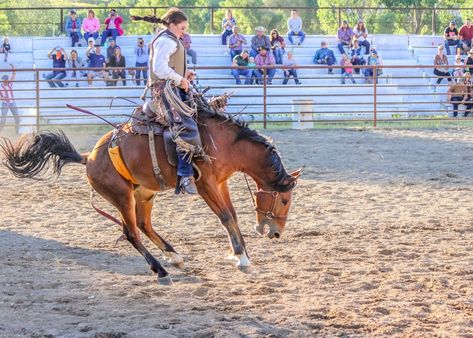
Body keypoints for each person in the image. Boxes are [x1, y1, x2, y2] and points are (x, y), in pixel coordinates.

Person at [132, 8, 204, 194]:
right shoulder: (165, 41)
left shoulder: (169, 39)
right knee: (185, 127)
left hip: (171, 89)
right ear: (172, 25)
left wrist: (184, 74)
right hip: (165, 91)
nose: (184, 31)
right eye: (182, 27)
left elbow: (167, 66)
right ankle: (185, 174)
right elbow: (159, 68)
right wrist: (180, 79)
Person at [0, 64, 19, 134]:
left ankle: (16, 131)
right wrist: (2, 98)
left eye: (6, 80)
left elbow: (13, 75)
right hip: (5, 103)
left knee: (17, 117)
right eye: (4, 80)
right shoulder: (0, 87)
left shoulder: (10, 84)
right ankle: (0, 131)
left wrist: (13, 67)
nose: (5, 81)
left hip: (12, 102)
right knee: (3, 119)